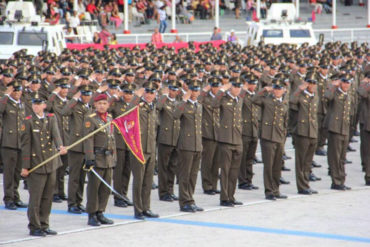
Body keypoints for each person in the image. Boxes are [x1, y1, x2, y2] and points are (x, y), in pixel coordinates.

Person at [20, 93, 67, 236]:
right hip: (37, 164)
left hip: (50, 163)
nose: (36, 106)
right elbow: (26, 145)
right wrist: (25, 166)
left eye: (39, 104)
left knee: (47, 197)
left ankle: (44, 224)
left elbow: (56, 135)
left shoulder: (50, 119)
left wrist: (60, 146)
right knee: (36, 198)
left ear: (44, 106)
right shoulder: (28, 121)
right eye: (34, 104)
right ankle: (34, 226)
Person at [253, 78, 289, 201]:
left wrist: (283, 138)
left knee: (277, 166)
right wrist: (263, 90)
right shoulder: (267, 100)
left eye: (280, 89)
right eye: (276, 88)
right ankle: (269, 191)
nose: (277, 91)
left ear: (284, 91)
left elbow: (285, 123)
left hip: (279, 138)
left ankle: (276, 189)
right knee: (268, 166)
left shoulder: (284, 104)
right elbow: (254, 100)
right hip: (268, 137)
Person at [83, 94, 116, 226]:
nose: (102, 105)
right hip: (97, 157)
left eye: (104, 103)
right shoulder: (90, 119)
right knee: (94, 188)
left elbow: (111, 138)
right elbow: (88, 139)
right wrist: (89, 158)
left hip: (108, 158)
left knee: (105, 188)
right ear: (95, 105)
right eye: (99, 103)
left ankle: (100, 212)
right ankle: (92, 214)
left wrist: (114, 157)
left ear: (108, 105)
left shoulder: (109, 118)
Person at [129, 81, 160, 220]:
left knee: (148, 180)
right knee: (139, 180)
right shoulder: (137, 106)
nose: (149, 95)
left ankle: (146, 207)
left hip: (151, 148)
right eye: (147, 92)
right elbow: (129, 109)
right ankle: (138, 209)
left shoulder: (153, 107)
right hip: (138, 148)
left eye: (152, 92)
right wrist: (137, 95)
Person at [212, 78, 244, 207]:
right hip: (225, 139)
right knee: (225, 170)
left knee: (234, 171)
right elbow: (214, 104)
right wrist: (221, 90)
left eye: (239, 87)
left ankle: (231, 195)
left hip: (237, 139)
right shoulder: (224, 99)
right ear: (231, 88)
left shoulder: (240, 100)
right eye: (235, 87)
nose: (237, 89)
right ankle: (224, 198)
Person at [62, 85, 93, 214]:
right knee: (74, 177)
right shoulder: (75, 106)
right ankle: (72, 203)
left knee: (82, 177)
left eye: (88, 94)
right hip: (76, 145)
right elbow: (64, 112)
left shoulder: (90, 108)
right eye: (84, 94)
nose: (86, 97)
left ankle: (79, 201)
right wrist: (74, 99)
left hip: (86, 146)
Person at [173, 80, 204, 213]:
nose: (194, 93)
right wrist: (183, 100)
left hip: (197, 145)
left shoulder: (199, 105)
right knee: (185, 175)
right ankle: (184, 202)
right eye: (192, 90)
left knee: (193, 175)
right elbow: (175, 116)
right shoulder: (183, 105)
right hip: (186, 144)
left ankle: (190, 199)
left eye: (196, 90)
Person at [0, 80, 28, 210]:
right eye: (15, 90)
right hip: (9, 143)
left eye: (19, 90)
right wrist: (6, 95)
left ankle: (15, 197)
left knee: (17, 173)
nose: (17, 93)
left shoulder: (21, 105)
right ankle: (8, 198)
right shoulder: (6, 103)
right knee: (9, 173)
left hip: (20, 143)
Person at [290, 73, 319, 195]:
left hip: (312, 132)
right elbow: (291, 102)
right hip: (302, 132)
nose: (312, 85)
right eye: (309, 83)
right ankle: (302, 186)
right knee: (301, 162)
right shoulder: (300, 96)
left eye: (314, 83)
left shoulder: (315, 96)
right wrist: (298, 90)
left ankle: (306, 183)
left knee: (308, 162)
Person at [325, 74, 352, 190]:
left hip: (344, 129)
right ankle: (336, 181)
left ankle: (341, 179)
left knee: (342, 157)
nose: (346, 85)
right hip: (335, 129)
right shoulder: (335, 93)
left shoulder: (347, 95)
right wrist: (332, 85)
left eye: (348, 83)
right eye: (344, 82)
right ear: (340, 83)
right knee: (334, 157)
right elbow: (327, 96)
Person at [109, 84, 135, 207]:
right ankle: (117, 197)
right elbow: (104, 107)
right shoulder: (116, 104)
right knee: (118, 171)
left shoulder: (134, 104)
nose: (128, 95)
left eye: (130, 93)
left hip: (130, 141)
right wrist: (114, 96)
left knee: (127, 170)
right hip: (119, 141)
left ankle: (124, 195)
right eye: (126, 93)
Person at [156, 80, 181, 202]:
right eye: (171, 89)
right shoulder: (163, 101)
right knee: (163, 167)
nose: (173, 92)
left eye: (175, 90)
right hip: (165, 139)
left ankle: (170, 191)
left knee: (173, 167)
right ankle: (163, 192)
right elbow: (157, 107)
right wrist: (164, 95)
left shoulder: (178, 103)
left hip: (176, 138)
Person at [199, 77, 221, 195]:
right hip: (208, 133)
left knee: (216, 162)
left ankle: (214, 184)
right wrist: (204, 90)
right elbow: (197, 100)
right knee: (207, 161)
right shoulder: (205, 98)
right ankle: (207, 185)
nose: (216, 89)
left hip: (219, 133)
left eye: (217, 86)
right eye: (213, 86)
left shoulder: (221, 98)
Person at [238, 75, 259, 191]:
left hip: (254, 130)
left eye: (255, 83)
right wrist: (243, 89)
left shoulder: (254, 96)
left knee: (250, 158)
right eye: (251, 83)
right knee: (243, 157)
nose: (254, 86)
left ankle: (249, 180)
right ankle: (242, 181)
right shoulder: (242, 96)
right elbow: (238, 103)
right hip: (245, 130)